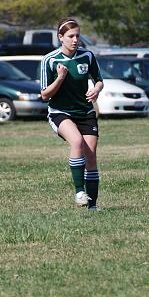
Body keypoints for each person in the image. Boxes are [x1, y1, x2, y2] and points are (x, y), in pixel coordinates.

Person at [40, 18, 104, 210]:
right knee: (76, 142)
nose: (75, 40)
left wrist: (97, 89)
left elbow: (99, 80)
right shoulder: (50, 60)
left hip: (85, 111)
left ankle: (92, 206)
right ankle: (79, 192)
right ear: (61, 37)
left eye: (77, 35)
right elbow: (44, 95)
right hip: (60, 112)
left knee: (91, 156)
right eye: (70, 36)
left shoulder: (87, 56)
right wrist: (60, 78)